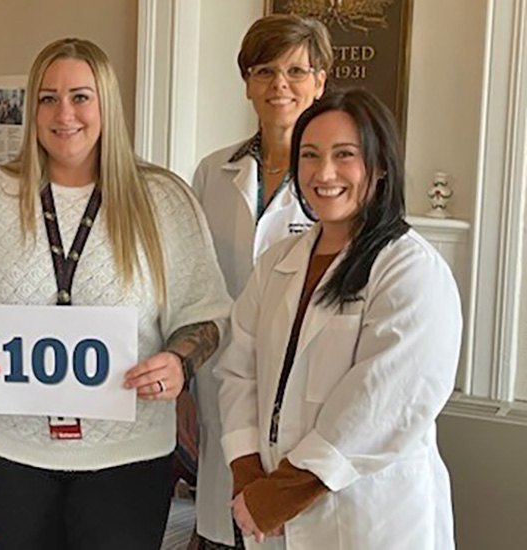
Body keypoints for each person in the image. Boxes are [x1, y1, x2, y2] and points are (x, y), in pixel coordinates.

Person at [0, 38, 231, 549]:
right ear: (31, 109)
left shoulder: (163, 200)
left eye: (81, 97)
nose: (64, 113)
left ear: (106, 104)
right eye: (48, 98)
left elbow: (206, 311)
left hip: (127, 455)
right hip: (11, 451)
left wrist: (178, 362)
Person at [216, 89, 460, 549]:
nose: (323, 173)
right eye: (309, 155)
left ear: (381, 165)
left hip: (370, 515)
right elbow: (237, 367)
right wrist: (248, 470)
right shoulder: (278, 262)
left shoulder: (410, 269)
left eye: (345, 155)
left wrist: (282, 492)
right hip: (272, 505)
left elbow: (387, 400)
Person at [189, 15, 332, 550]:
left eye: (297, 71)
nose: (280, 85)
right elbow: (194, 279)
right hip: (221, 372)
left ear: (320, 81)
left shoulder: (336, 180)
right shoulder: (212, 171)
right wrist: (186, 375)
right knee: (225, 518)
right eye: (265, 70)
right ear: (247, 82)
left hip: (300, 381)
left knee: (289, 518)